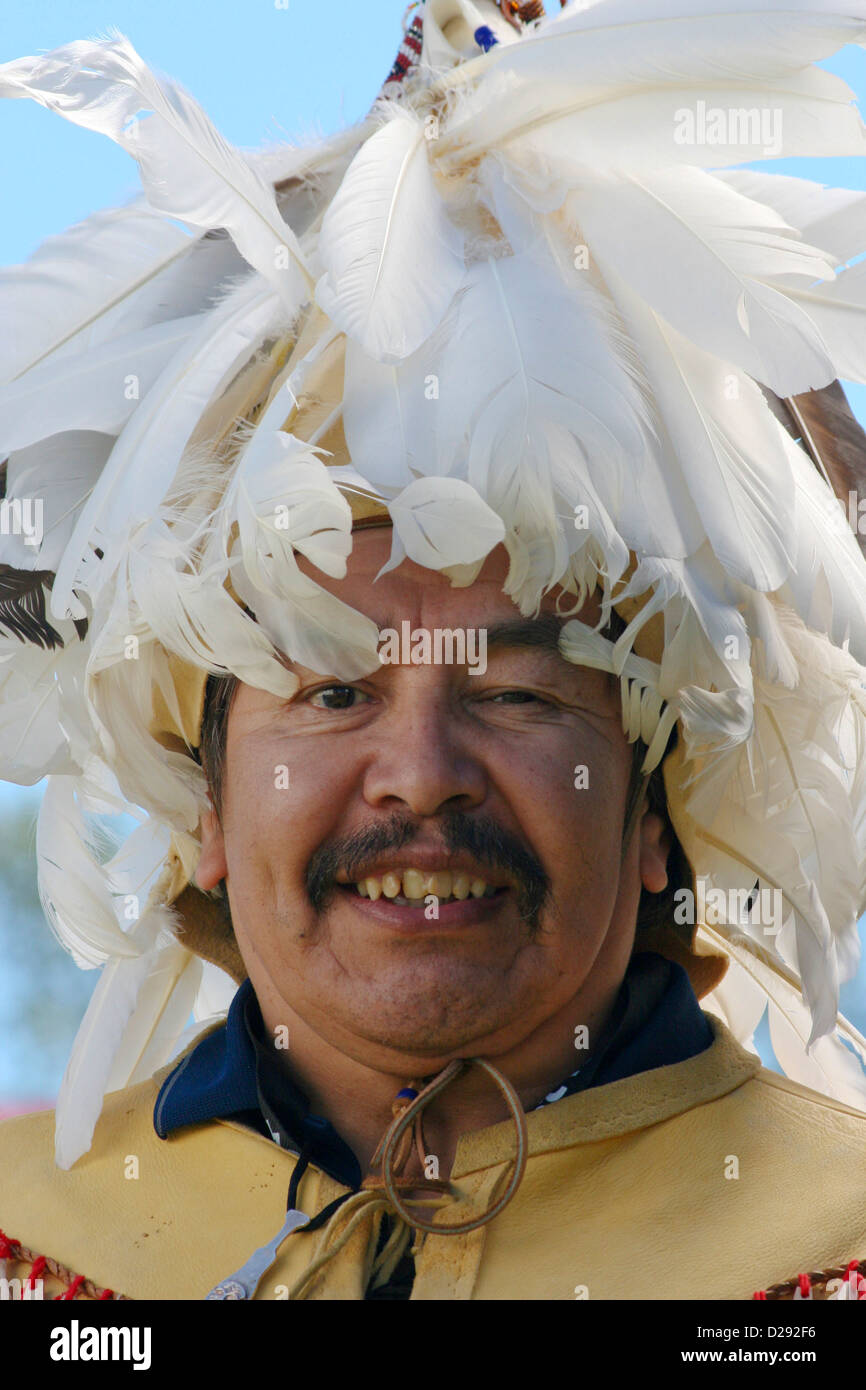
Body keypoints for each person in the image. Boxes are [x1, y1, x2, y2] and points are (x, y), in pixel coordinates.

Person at [1, 0, 866, 1302]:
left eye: (515, 692)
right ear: (208, 809)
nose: (418, 772)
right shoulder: (29, 1236)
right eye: (333, 685)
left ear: (648, 810)